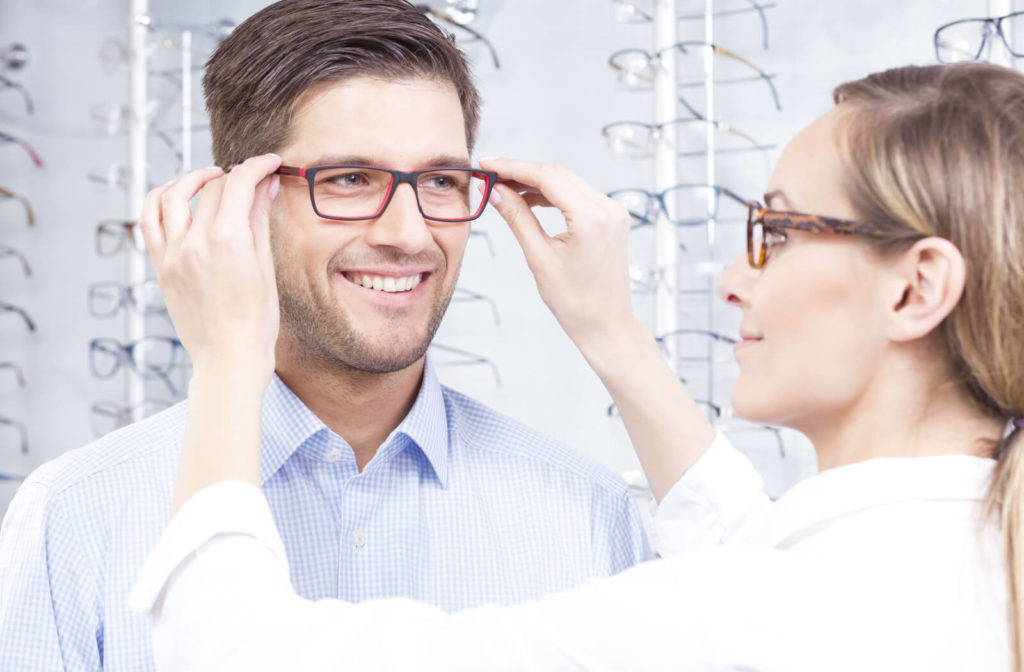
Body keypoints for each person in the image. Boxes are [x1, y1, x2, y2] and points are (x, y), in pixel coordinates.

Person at [128, 60, 1024, 671]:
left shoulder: (757, 609)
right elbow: (760, 561)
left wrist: (226, 354)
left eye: (777, 235)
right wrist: (610, 330)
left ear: (916, 289)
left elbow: (234, 649)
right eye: (350, 179)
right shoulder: (967, 563)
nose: (730, 282)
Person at [0, 1, 648, 669]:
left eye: (440, 182)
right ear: (239, 203)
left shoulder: (588, 516)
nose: (409, 234)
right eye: (348, 179)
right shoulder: (77, 517)